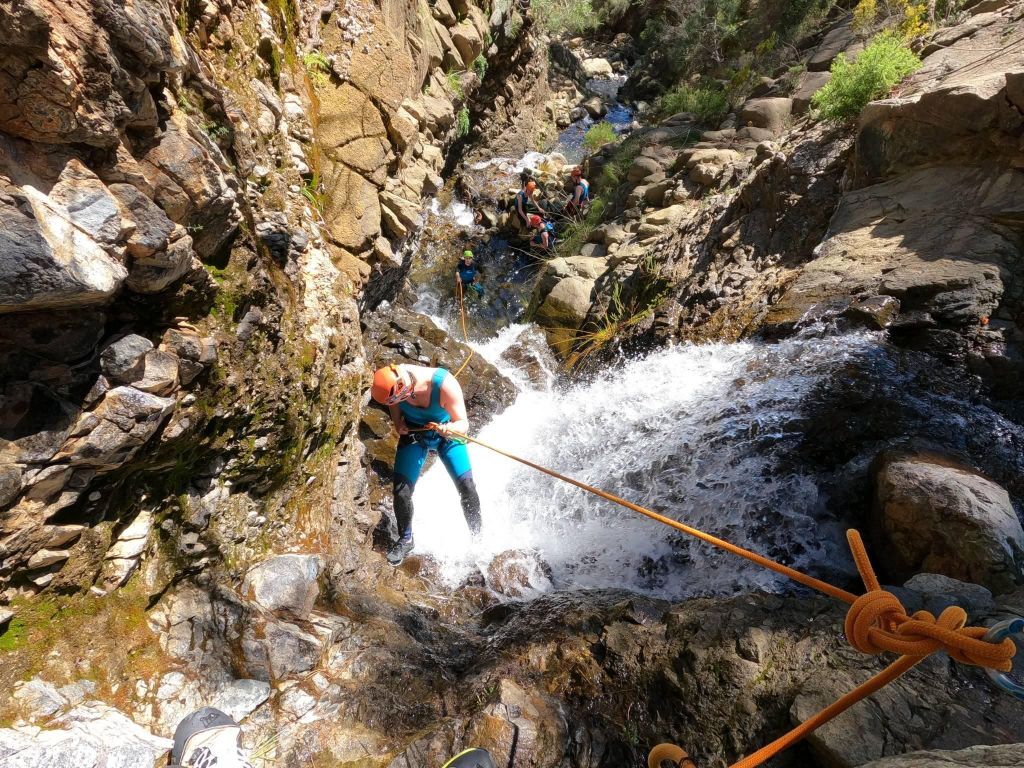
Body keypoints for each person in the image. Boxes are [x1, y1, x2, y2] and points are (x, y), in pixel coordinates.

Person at [370, 363, 482, 565]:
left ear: (405, 387)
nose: (398, 401)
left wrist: (449, 428)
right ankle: (406, 539)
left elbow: (463, 424)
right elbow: (392, 402)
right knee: (401, 492)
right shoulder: (392, 384)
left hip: (447, 436)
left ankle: (478, 538)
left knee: (467, 486)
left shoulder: (444, 384)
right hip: (414, 434)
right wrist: (398, 423)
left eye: (401, 397)